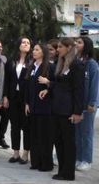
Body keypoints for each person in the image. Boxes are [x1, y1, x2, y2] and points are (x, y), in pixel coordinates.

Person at [45, 38, 83, 181]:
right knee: (59, 141)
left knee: (68, 142)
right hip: (57, 108)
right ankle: (61, 170)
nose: (58, 49)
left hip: (68, 110)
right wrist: (48, 89)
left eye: (60, 47)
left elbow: (78, 90)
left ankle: (68, 173)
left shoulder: (76, 65)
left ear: (68, 48)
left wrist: (77, 112)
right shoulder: (60, 64)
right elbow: (59, 84)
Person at [24, 43, 54, 172]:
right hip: (33, 106)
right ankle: (35, 161)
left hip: (45, 107)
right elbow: (27, 87)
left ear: (43, 52)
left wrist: (47, 84)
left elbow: (56, 85)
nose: (34, 52)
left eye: (37, 50)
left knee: (44, 136)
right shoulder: (32, 66)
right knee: (34, 135)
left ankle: (46, 164)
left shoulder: (50, 67)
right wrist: (27, 103)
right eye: (34, 50)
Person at [5, 37, 30, 164]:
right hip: (13, 97)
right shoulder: (11, 61)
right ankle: (15, 152)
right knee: (14, 126)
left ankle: (26, 153)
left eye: (28, 43)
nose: (25, 44)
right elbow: (7, 80)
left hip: (26, 98)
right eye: (23, 42)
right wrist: (5, 96)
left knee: (26, 126)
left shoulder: (32, 61)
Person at [74, 36, 98, 172]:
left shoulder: (92, 64)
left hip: (88, 105)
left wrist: (93, 102)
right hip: (77, 103)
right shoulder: (77, 62)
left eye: (79, 42)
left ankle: (87, 160)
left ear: (86, 45)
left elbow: (95, 85)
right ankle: (78, 157)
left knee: (86, 133)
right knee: (77, 133)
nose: (76, 44)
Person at [0, 39, 10, 150]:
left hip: (5, 92)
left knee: (5, 118)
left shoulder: (5, 59)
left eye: (0, 46)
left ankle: (1, 137)